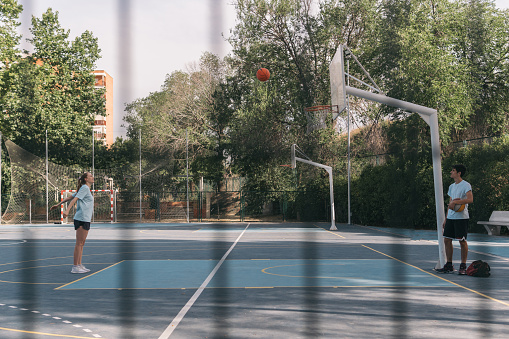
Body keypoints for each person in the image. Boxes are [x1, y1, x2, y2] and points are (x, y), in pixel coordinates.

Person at [51, 172, 94, 274]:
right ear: (86, 179)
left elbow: (70, 197)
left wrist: (58, 204)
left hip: (85, 218)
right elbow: (74, 199)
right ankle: (75, 266)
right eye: (91, 176)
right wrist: (67, 210)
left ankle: (79, 265)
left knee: (81, 243)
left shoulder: (84, 189)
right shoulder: (85, 188)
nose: (93, 177)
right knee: (79, 243)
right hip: (81, 218)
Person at [436, 164, 473, 275]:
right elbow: (450, 203)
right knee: (447, 239)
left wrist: (457, 202)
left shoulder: (466, 185)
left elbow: (470, 199)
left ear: (459, 173)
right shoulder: (452, 187)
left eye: (453, 170)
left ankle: (463, 265)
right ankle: (449, 265)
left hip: (461, 218)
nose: (451, 172)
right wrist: (446, 218)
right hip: (451, 217)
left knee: (462, 241)